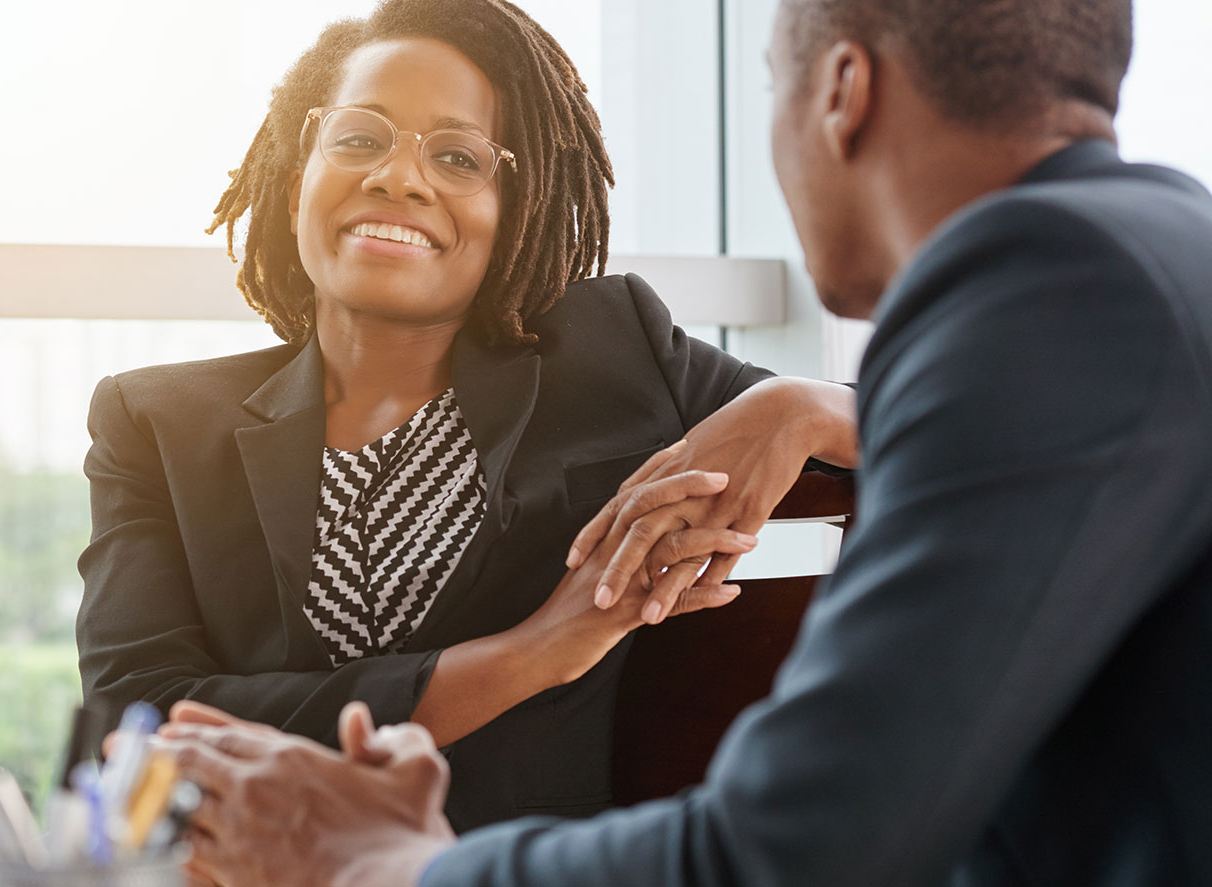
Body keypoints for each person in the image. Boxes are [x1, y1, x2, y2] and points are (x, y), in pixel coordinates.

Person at [160, 0, 1212, 883]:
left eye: (767, 86)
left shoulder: (1050, 292)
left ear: (841, 91)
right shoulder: (1150, 254)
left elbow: (790, 848)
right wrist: (799, 404)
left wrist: (387, 861)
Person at [74, 0, 858, 833]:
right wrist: (539, 651)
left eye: (457, 156)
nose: (399, 178)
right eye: (359, 138)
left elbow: (953, 435)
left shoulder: (615, 356)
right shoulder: (153, 423)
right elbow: (138, 728)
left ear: (516, 206)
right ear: (296, 165)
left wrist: (798, 403)